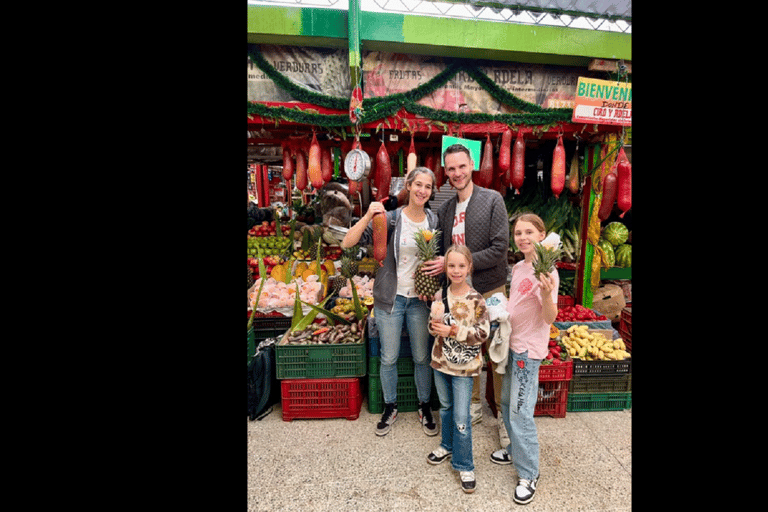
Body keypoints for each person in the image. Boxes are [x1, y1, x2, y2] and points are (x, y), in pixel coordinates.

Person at [341, 167, 439, 437]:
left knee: (421, 357)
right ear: (408, 186)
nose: (422, 190)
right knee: (388, 357)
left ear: (432, 191)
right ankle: (390, 406)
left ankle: (424, 405)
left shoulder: (433, 220)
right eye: (417, 184)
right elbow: (347, 244)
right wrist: (368, 215)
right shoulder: (390, 219)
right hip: (390, 299)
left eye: (428, 186)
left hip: (420, 300)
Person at [421, 143, 510, 434]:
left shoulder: (492, 200)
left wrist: (459, 263)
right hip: (458, 293)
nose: (457, 173)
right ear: (445, 173)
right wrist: (440, 277)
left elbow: (499, 249)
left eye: (461, 166)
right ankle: (472, 407)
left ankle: (503, 413)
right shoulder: (446, 208)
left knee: (497, 353)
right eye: (451, 169)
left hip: (489, 289)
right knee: (465, 349)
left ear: (471, 165)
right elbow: (442, 252)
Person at [491, 213, 559, 505]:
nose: (522, 237)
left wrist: (546, 295)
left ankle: (529, 472)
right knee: (506, 403)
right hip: (511, 344)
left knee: (520, 412)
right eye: (518, 233)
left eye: (529, 232)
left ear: (542, 235)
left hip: (527, 352)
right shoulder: (519, 266)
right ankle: (516, 450)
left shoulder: (548, 273)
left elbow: (549, 318)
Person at [426, 245, 490, 494]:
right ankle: (447, 444)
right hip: (441, 362)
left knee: (462, 417)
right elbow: (433, 329)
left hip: (464, 368)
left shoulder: (476, 300)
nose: (456, 270)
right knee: (446, 408)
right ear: (445, 268)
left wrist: (453, 330)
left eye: (461, 266)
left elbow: (482, 334)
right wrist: (435, 326)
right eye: (451, 266)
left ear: (469, 268)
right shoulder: (440, 295)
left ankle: (464, 464)